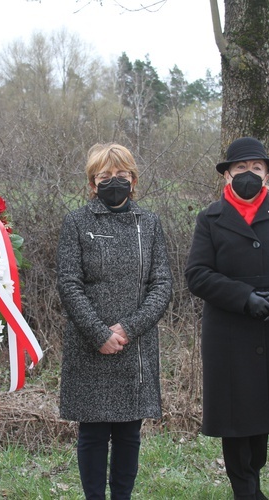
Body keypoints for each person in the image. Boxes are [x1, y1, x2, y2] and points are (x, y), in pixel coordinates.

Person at [185, 137, 269, 500]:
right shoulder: (210, 218)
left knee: (263, 413)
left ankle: (254, 483)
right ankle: (244, 490)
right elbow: (197, 274)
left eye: (256, 168)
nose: (249, 174)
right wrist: (244, 297)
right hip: (229, 332)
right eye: (241, 168)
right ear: (227, 175)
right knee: (236, 417)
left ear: (266, 174)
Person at [57, 143, 173, 500]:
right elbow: (68, 283)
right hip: (88, 343)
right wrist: (98, 332)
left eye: (121, 175)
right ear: (93, 183)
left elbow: (162, 284)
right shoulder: (77, 222)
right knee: (92, 434)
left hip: (133, 344)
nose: (113, 181)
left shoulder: (149, 223)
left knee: (128, 432)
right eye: (104, 176)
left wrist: (128, 328)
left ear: (133, 180)